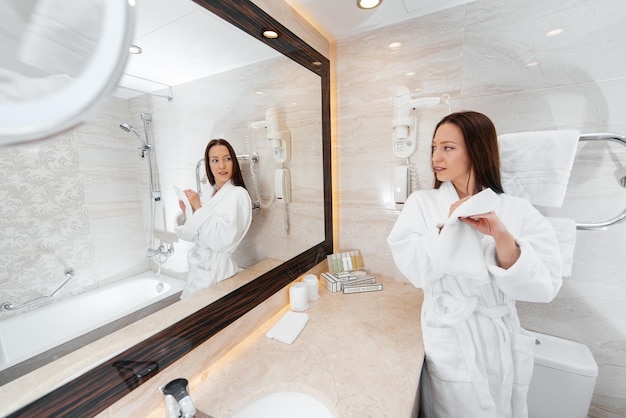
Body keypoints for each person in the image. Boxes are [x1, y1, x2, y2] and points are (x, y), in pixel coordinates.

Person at [387, 111, 563, 418]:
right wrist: (446, 228)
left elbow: (544, 285)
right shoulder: (422, 203)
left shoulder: (517, 210)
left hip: (498, 333)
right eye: (433, 147)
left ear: (477, 150)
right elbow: (415, 269)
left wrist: (502, 236)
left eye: (448, 147)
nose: (435, 157)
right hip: (452, 334)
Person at [175, 138, 252, 299]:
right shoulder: (208, 193)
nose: (222, 166)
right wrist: (187, 213)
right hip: (199, 269)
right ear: (208, 165)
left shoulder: (238, 194)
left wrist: (199, 208)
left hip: (217, 272)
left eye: (227, 159)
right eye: (215, 160)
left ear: (233, 162)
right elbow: (192, 235)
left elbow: (223, 239)